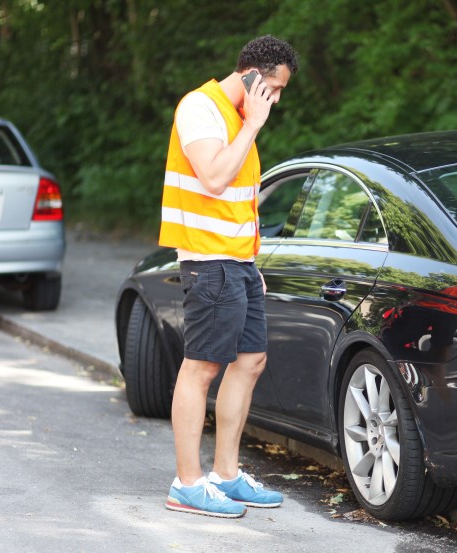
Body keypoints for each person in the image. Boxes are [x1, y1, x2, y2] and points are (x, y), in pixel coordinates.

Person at [158, 35, 299, 518]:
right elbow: (214, 178)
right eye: (274, 89)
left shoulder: (239, 120)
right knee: (201, 368)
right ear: (252, 75)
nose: (275, 101)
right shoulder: (201, 107)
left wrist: (250, 264)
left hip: (236, 264)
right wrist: (253, 125)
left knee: (251, 360)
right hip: (207, 260)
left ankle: (225, 474)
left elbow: (240, 206)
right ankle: (188, 483)